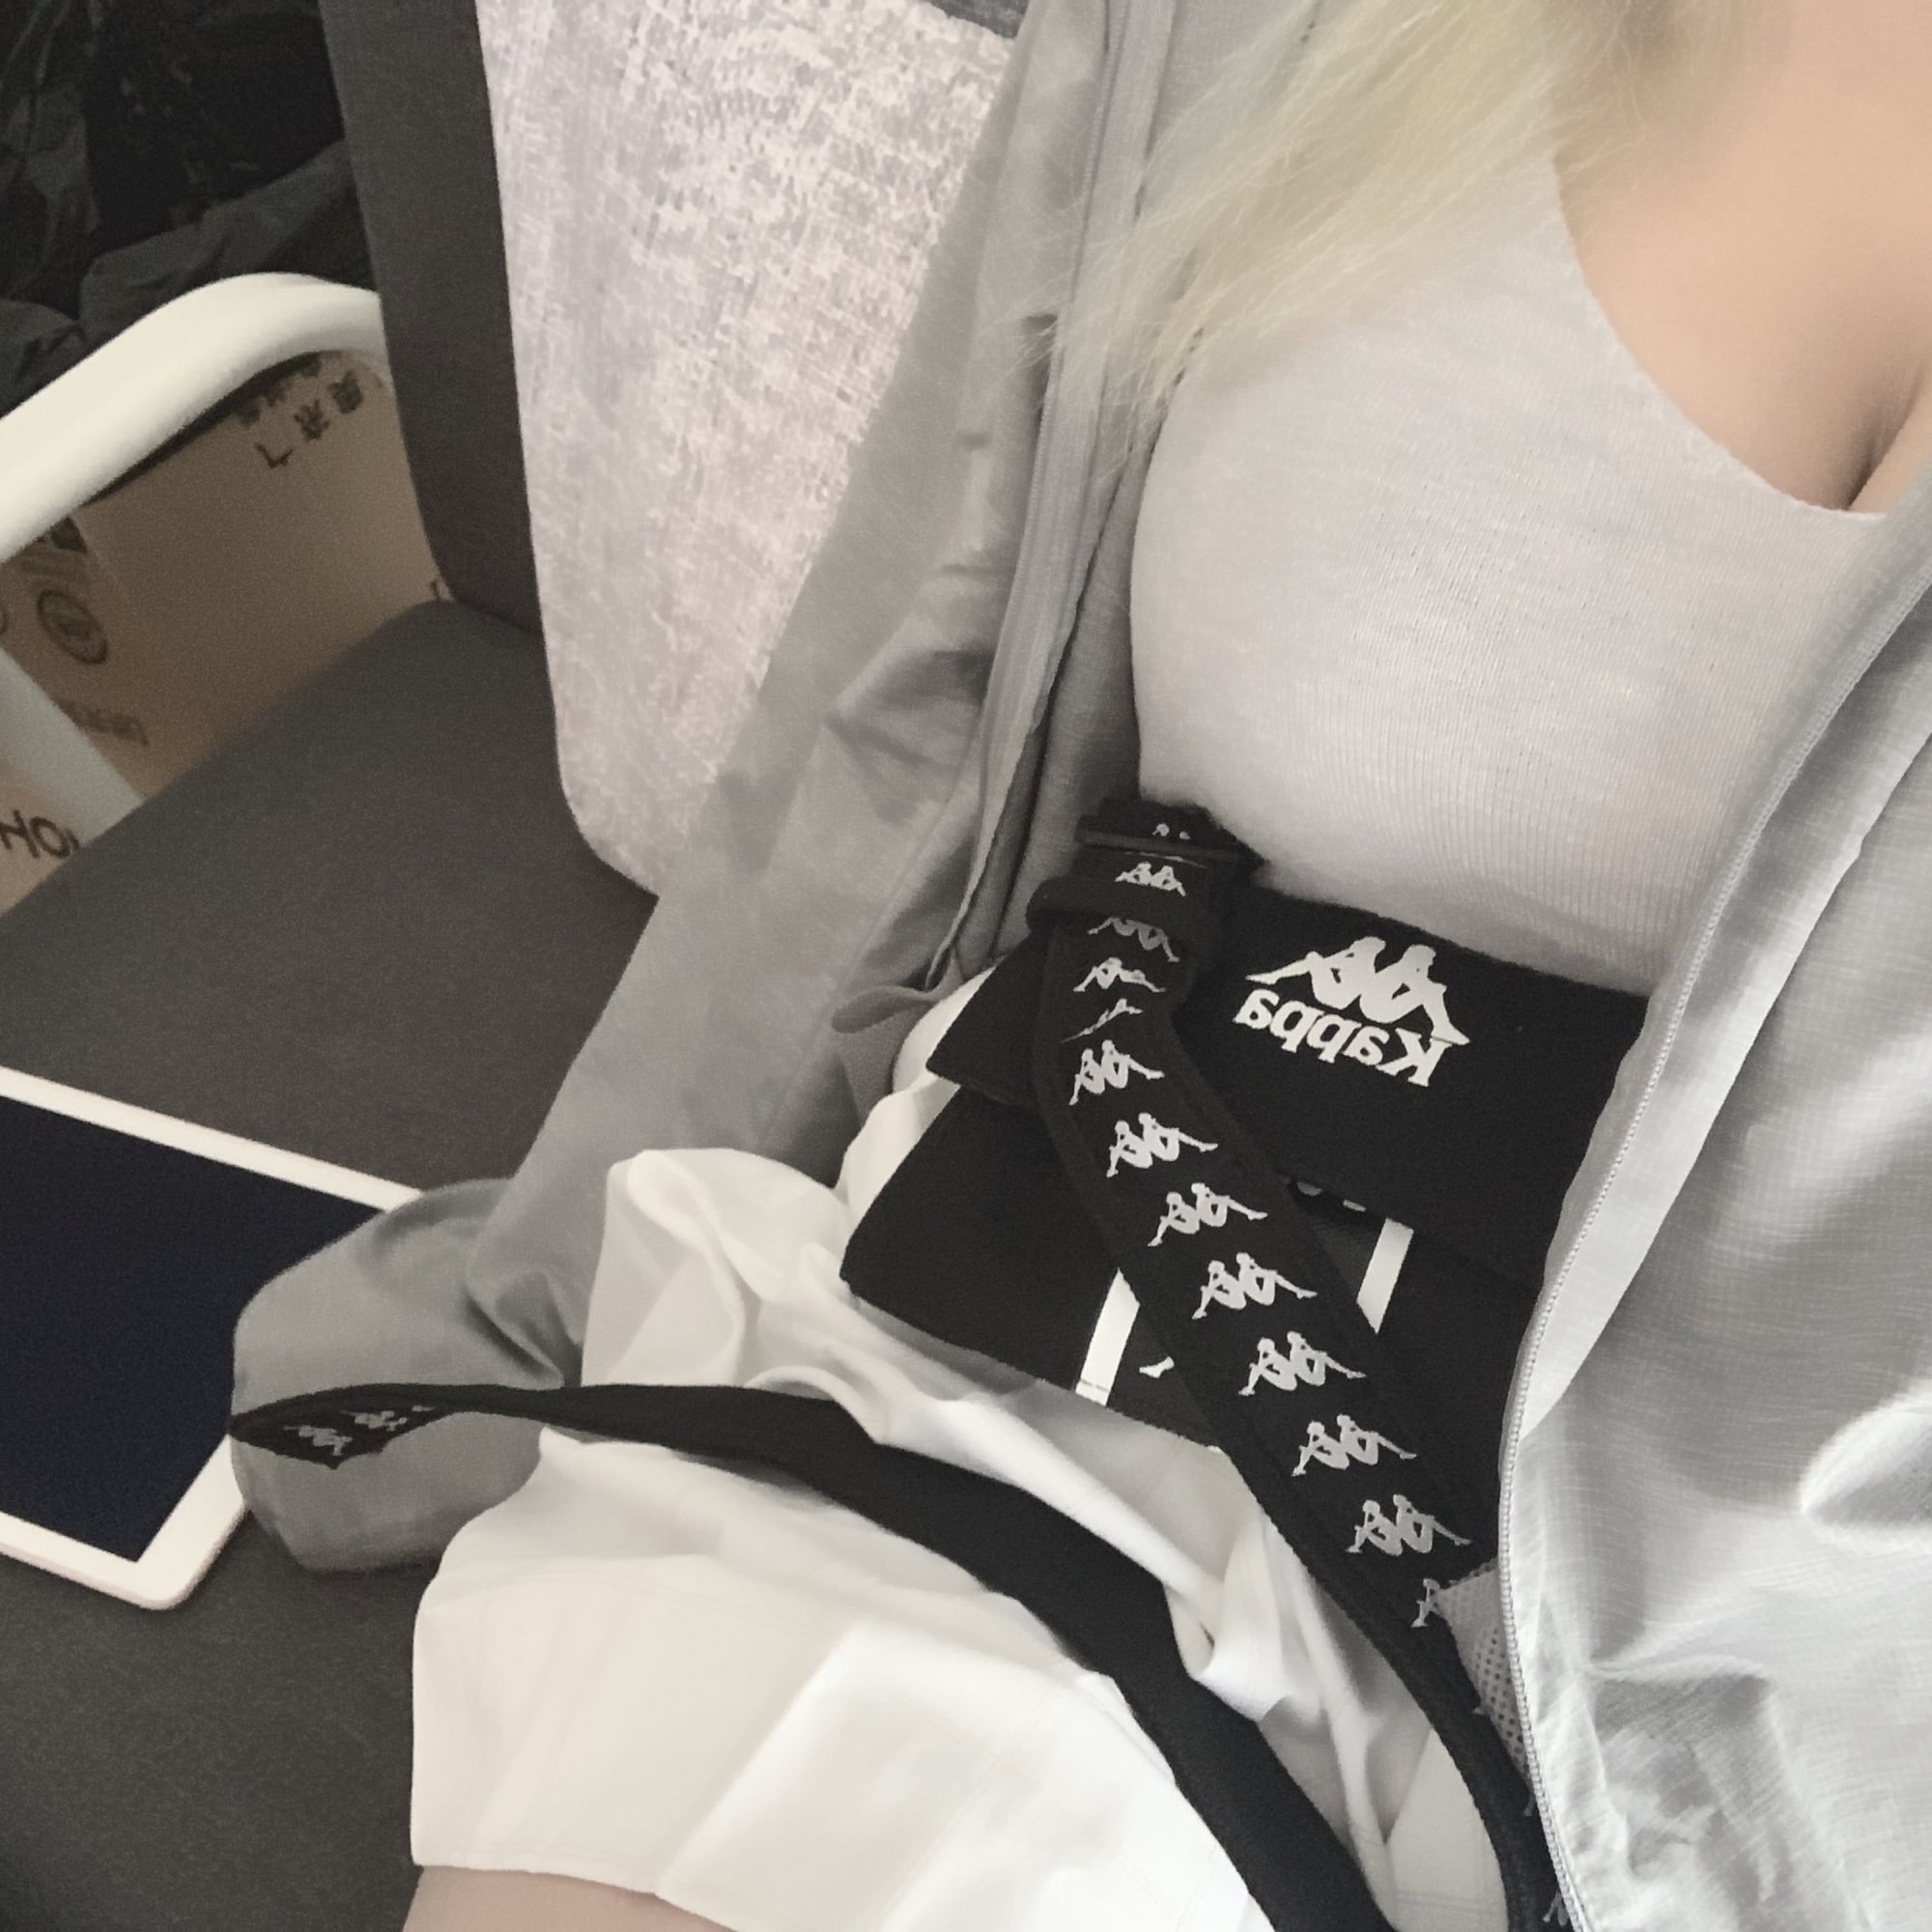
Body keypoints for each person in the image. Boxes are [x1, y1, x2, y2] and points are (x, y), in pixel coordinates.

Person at [231, 0, 1932, 1927]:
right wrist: (550, 1279)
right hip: (1050, 1304)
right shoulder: (1257, 35)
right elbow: (921, 685)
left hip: (1772, 1662)